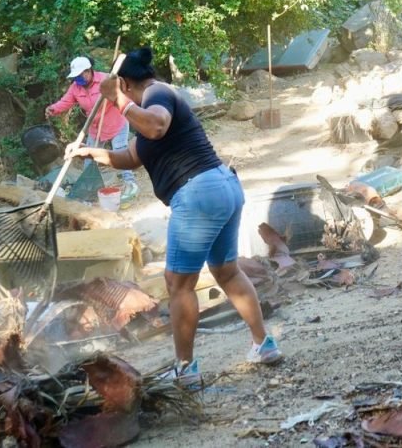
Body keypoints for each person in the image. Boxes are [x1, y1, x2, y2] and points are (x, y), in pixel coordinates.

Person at [68, 47, 281, 385]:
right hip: (222, 187)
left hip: (198, 193)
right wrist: (88, 153)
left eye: (117, 91)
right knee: (226, 271)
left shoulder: (157, 93)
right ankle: (264, 344)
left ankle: (185, 369)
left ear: (123, 82)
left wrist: (119, 102)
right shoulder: (152, 105)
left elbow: (155, 126)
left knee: (178, 284)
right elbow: (130, 157)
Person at [46, 57, 138, 202]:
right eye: (75, 76)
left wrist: (114, 93)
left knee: (121, 151)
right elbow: (66, 101)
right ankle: (89, 186)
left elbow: (125, 93)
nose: (78, 78)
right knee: (89, 157)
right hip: (96, 127)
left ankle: (130, 183)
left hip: (116, 121)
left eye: (80, 75)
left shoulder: (106, 80)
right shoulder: (75, 87)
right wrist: (53, 109)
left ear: (89, 71)